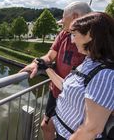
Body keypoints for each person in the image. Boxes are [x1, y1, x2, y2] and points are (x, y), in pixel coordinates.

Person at [19, 1, 92, 140]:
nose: (61, 22)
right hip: (56, 92)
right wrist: (36, 63)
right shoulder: (64, 34)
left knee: (69, 132)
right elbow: (50, 56)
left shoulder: (97, 42)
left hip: (78, 100)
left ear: (75, 17)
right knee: (46, 126)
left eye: (64, 17)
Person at [43, 12, 114, 140]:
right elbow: (66, 86)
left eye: (74, 35)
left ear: (90, 35)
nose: (72, 40)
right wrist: (46, 68)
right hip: (62, 131)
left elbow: (91, 129)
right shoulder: (90, 62)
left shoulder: (106, 74)